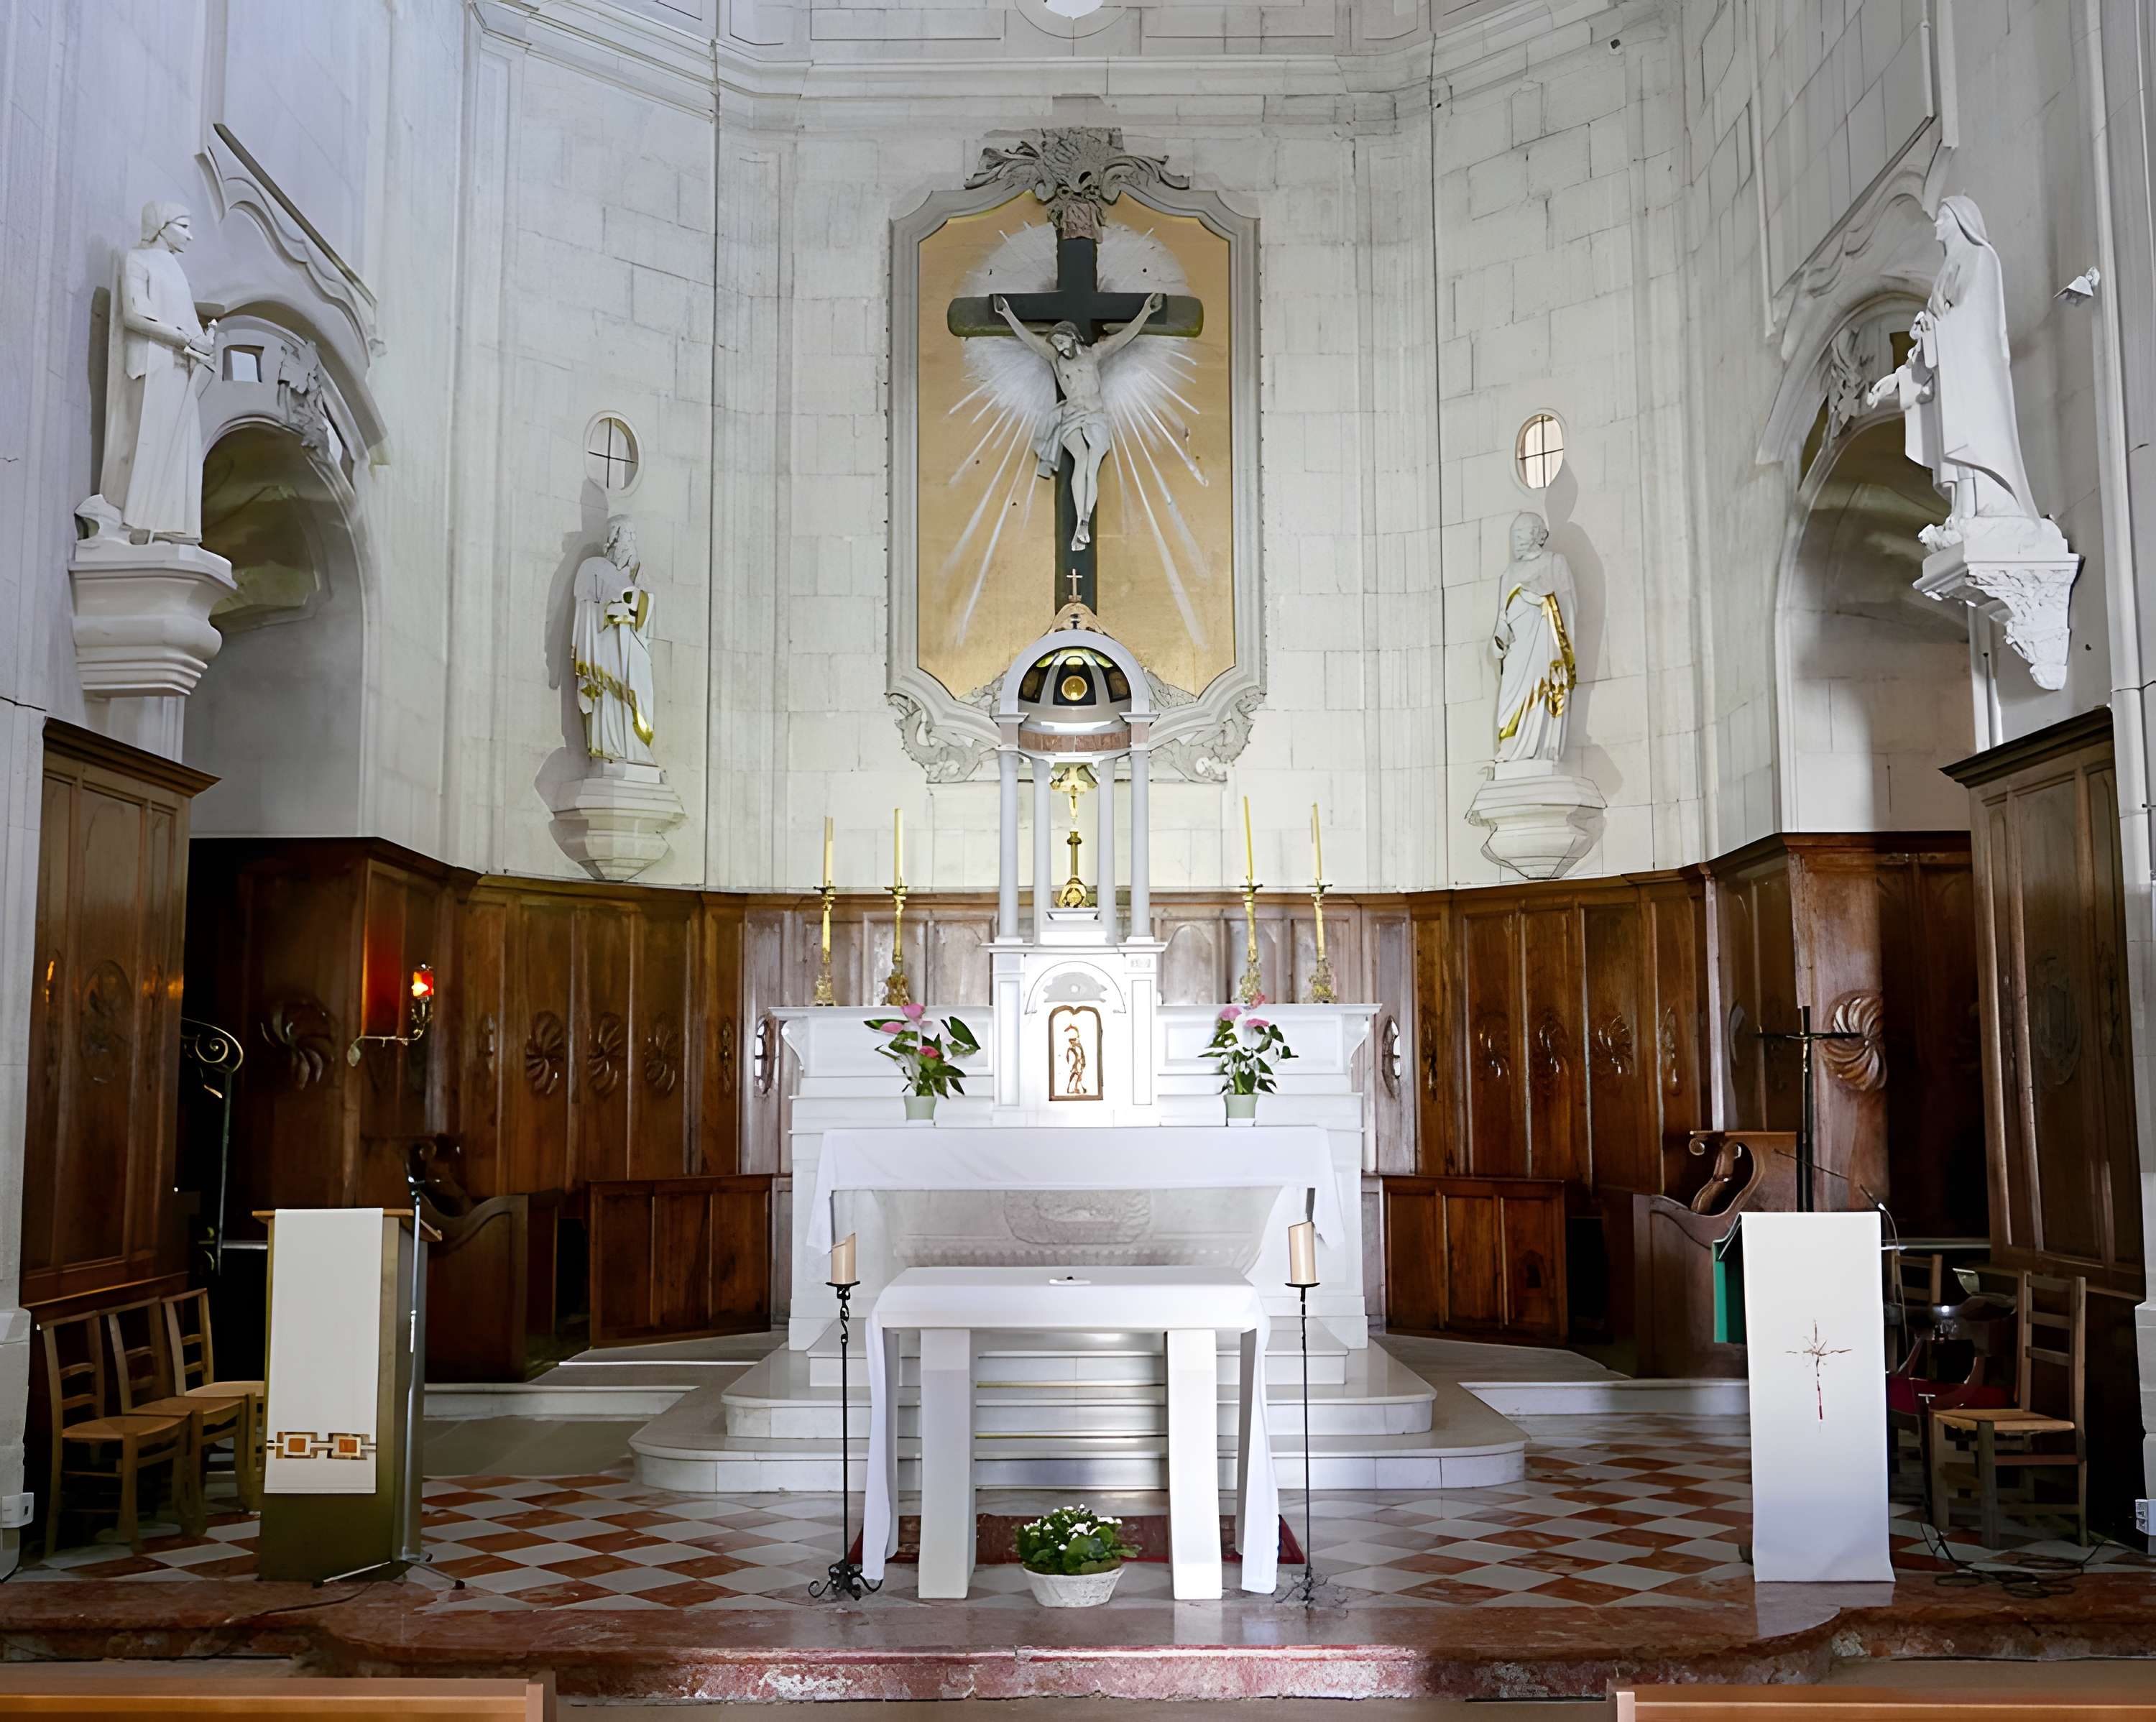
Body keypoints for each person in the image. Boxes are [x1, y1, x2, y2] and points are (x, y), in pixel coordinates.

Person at [1864, 196, 2038, 537]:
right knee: (1954, 445)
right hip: (1950, 376)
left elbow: (1974, 316)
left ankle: (1983, 506)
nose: (1936, 225)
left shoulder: (1981, 258)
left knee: (1971, 438)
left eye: (1943, 217)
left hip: (1973, 375)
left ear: (1961, 221)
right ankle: (1964, 508)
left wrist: (1933, 328)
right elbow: (1931, 333)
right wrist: (1898, 379)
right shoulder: (1946, 271)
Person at [992, 291, 1164, 551]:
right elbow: (1028, 339)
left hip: (1095, 415)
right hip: (1072, 415)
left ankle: (1084, 522)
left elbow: (1125, 337)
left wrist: (1146, 312)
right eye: (1057, 345)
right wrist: (1006, 313)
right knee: (1080, 462)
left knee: (1091, 466)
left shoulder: (1094, 354)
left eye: (1062, 342)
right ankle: (1080, 526)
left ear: (1072, 337)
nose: (1060, 348)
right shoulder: (1055, 359)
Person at [95, 203, 216, 542]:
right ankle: (136, 519)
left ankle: (167, 522)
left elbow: (187, 323)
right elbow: (135, 316)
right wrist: (184, 339)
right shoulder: (137, 259)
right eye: (183, 226)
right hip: (153, 361)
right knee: (149, 438)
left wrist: (203, 344)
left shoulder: (176, 270)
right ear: (161, 225)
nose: (190, 236)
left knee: (178, 447)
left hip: (177, 366)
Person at [1492, 512, 1580, 765]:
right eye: (1514, 536)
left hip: (1544, 644)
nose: (1516, 541)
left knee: (1543, 688)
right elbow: (1502, 617)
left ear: (1536, 535)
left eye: (1520, 534)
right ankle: (1512, 745)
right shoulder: (1509, 574)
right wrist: (1499, 639)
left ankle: (1542, 746)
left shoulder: (1555, 563)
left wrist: (1541, 597)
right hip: (1518, 651)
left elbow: (1568, 604)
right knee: (1511, 697)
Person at [571, 515, 658, 764]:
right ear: (613, 540)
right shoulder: (594, 569)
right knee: (607, 694)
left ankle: (634, 748)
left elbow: (649, 608)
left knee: (638, 689)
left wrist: (637, 604)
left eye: (632, 537)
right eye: (625, 536)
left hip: (633, 644)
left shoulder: (639, 573)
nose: (630, 543)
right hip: (605, 643)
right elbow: (586, 611)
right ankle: (608, 747)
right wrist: (608, 612)